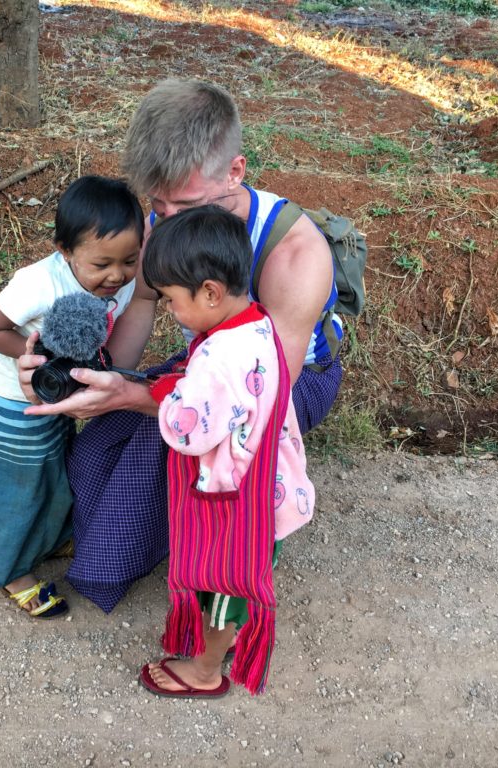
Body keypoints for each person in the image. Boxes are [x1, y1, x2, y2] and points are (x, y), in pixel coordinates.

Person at [22, 79, 342, 612]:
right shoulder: (167, 217)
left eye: (186, 204)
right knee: (99, 444)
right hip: (210, 362)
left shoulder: (294, 257)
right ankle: (106, 537)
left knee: (158, 450)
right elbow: (143, 302)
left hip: (287, 383)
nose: (167, 222)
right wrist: (101, 384)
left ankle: (116, 566)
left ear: (235, 172)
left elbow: (260, 405)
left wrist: (136, 398)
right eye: (158, 206)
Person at [136, 205, 315, 698]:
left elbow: (187, 431)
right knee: (240, 584)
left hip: (238, 510)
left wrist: (165, 396)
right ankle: (228, 635)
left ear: (210, 292)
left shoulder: (216, 357)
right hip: (272, 490)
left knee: (222, 587)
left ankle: (205, 670)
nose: (171, 310)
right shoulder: (258, 326)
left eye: (172, 300)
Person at [0, 175, 143, 618]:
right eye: (102, 264)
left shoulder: (118, 283)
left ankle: (44, 538)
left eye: (130, 260)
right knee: (15, 488)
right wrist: (37, 354)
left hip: (57, 403)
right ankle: (8, 568)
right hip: (14, 407)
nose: (116, 276)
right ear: (65, 250)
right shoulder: (39, 283)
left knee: (53, 473)